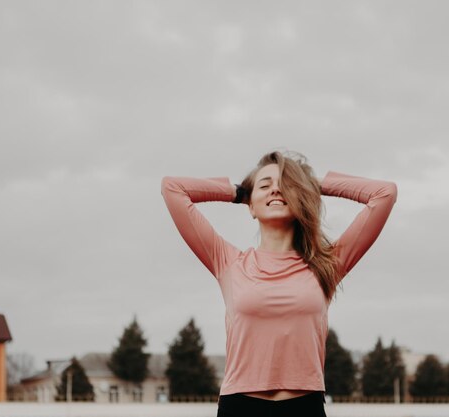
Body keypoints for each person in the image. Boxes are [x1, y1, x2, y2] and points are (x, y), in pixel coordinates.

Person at [161, 151, 397, 417]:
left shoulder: (327, 265)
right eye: (265, 186)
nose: (276, 190)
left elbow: (384, 193)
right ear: (250, 205)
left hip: (304, 407)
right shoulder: (228, 262)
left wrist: (308, 183)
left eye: (286, 185)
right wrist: (239, 192)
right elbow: (173, 188)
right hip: (239, 406)